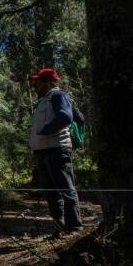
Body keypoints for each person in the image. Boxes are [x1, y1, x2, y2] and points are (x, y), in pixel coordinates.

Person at [28, 68, 83, 236]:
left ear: (47, 82)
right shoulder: (44, 100)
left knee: (66, 188)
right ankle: (60, 228)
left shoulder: (58, 96)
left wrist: (46, 130)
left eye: (37, 81)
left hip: (57, 149)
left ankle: (74, 227)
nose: (34, 84)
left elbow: (66, 117)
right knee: (51, 192)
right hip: (43, 152)